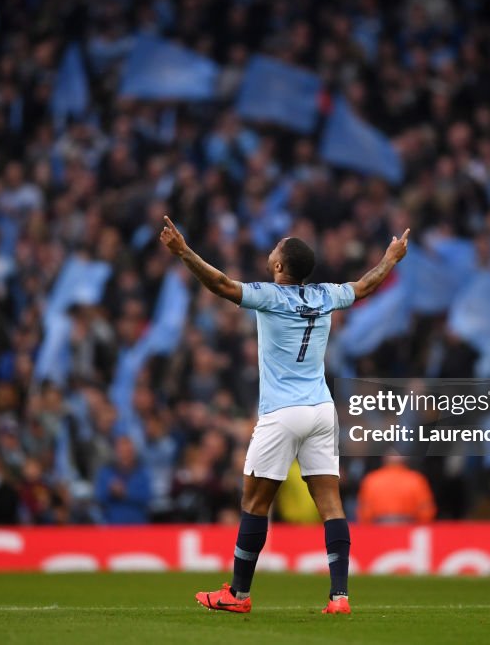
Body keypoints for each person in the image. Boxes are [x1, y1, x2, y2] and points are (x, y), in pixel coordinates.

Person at [160, 215, 410, 615]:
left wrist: (183, 252)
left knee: (254, 502)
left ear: (280, 266)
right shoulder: (327, 295)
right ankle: (340, 597)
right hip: (321, 410)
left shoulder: (270, 295)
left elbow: (221, 285)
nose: (271, 250)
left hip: (282, 412)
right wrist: (391, 257)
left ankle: (238, 596)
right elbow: (366, 285)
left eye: (276, 247)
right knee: (330, 502)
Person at [357, 455, 436, 524]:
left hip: (379, 527)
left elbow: (365, 511)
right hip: (408, 526)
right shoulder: (416, 479)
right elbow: (426, 510)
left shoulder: (371, 479)